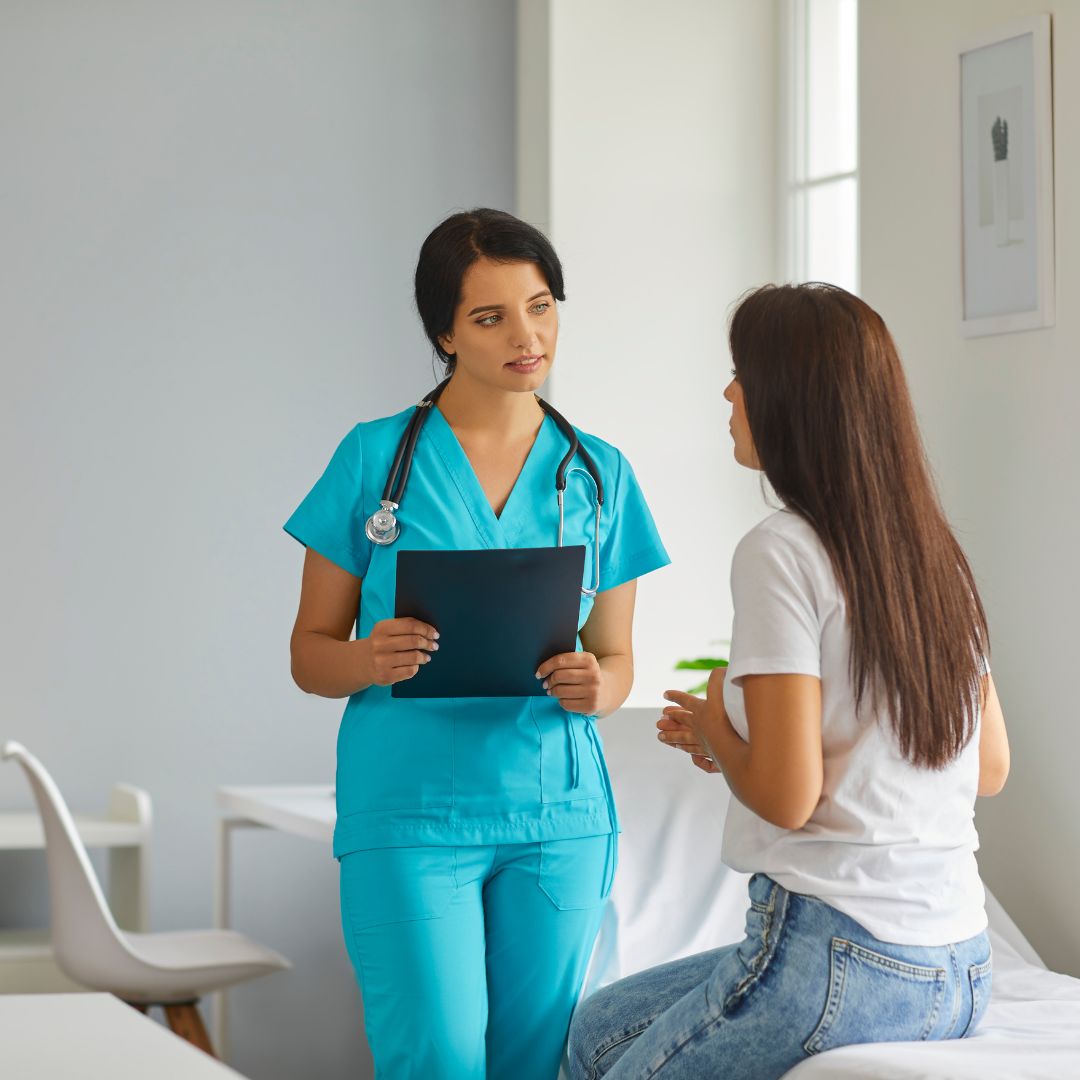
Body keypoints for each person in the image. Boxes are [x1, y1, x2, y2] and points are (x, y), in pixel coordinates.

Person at [567, 282, 1011, 1079]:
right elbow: (987, 767)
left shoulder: (781, 549)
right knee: (597, 1030)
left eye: (743, 372)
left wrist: (716, 731)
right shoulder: (936, 555)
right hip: (961, 965)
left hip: (839, 953)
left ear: (794, 400)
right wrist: (740, 742)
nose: (729, 392)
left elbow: (785, 797)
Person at [284, 208, 669, 1080]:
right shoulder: (373, 458)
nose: (526, 336)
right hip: (412, 816)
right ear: (444, 332)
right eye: (491, 317)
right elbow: (310, 653)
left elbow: (618, 661)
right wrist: (367, 658)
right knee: (438, 1060)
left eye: (541, 306)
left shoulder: (599, 470)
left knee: (535, 1064)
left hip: (558, 816)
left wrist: (594, 686)